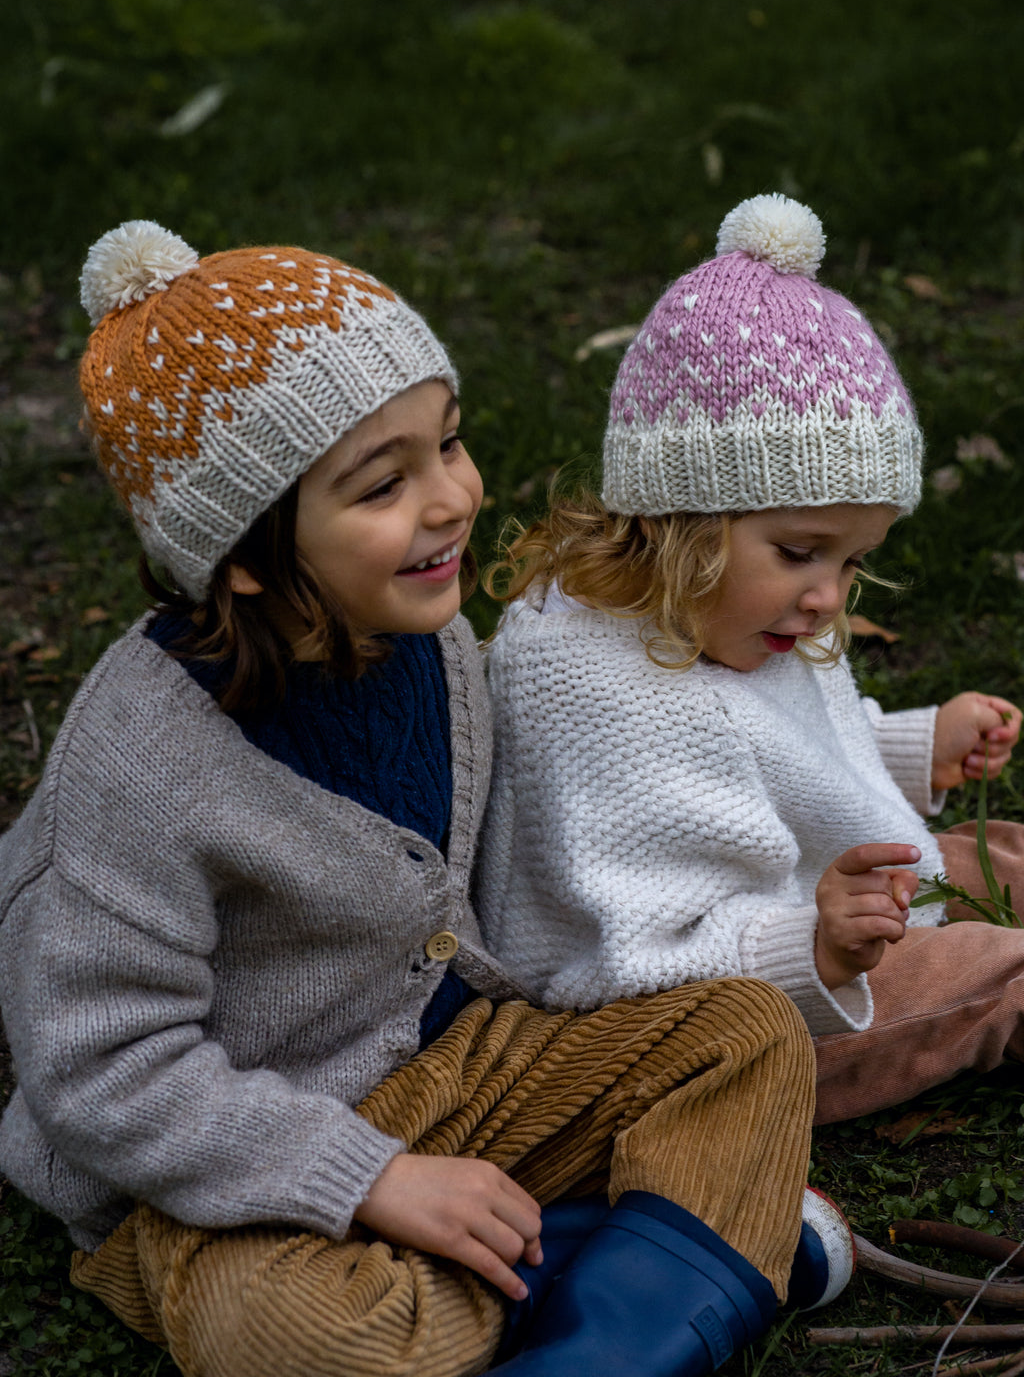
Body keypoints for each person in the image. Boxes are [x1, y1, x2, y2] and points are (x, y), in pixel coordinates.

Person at [0, 220, 831, 1377]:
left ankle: (589, 1337)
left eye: (448, 443)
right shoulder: (143, 763)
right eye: (383, 484)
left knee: (741, 1034)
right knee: (310, 1335)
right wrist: (371, 1180)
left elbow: (477, 889)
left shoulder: (423, 644)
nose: (451, 498)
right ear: (244, 555)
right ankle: (654, 1255)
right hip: (219, 1173)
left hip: (459, 1074)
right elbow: (102, 1073)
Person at [478, 191, 1024, 1128]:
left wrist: (908, 748)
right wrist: (812, 950)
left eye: (854, 561)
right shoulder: (585, 682)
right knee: (999, 973)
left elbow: (772, 749)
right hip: (738, 1011)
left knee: (1007, 855)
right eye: (802, 552)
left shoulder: (732, 609)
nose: (828, 597)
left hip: (819, 909)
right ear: (682, 520)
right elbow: (628, 946)